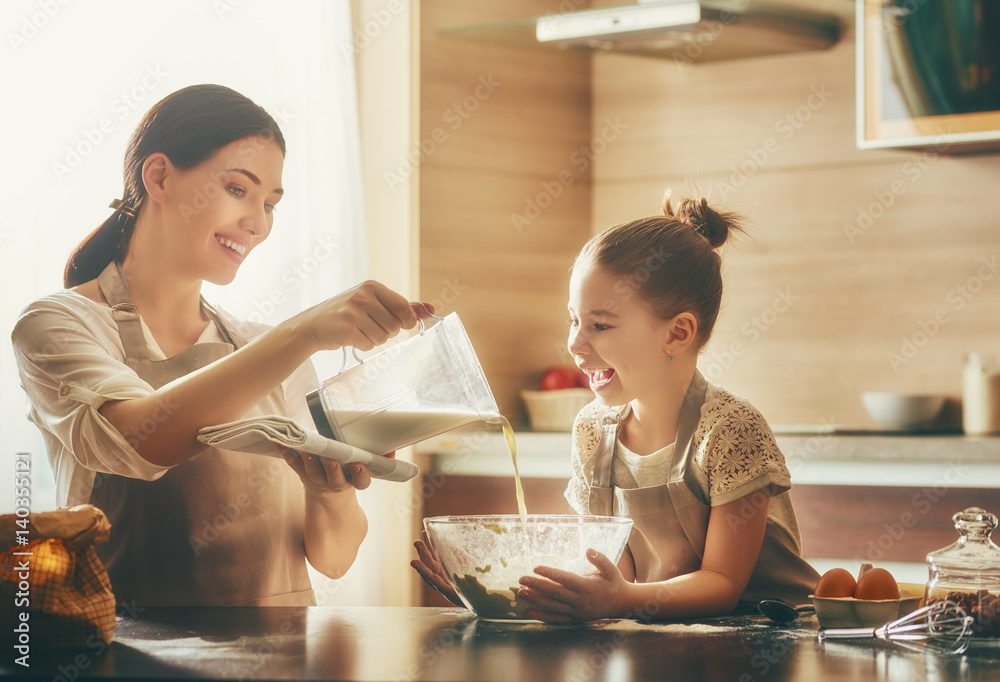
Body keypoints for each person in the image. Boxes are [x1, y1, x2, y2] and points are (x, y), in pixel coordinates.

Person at [12, 84, 431, 607]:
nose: (257, 224)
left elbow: (334, 557)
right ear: (159, 176)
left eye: (270, 204)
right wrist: (304, 332)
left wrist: (330, 492)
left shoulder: (261, 347)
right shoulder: (57, 324)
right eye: (238, 189)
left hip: (281, 658)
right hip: (130, 658)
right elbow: (141, 443)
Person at [413, 191, 819, 622]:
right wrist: (488, 592)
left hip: (768, 640)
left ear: (677, 334)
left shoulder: (729, 430)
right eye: (574, 320)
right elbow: (613, 582)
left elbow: (721, 584)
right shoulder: (593, 431)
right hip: (668, 639)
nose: (574, 343)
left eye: (600, 325)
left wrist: (621, 599)